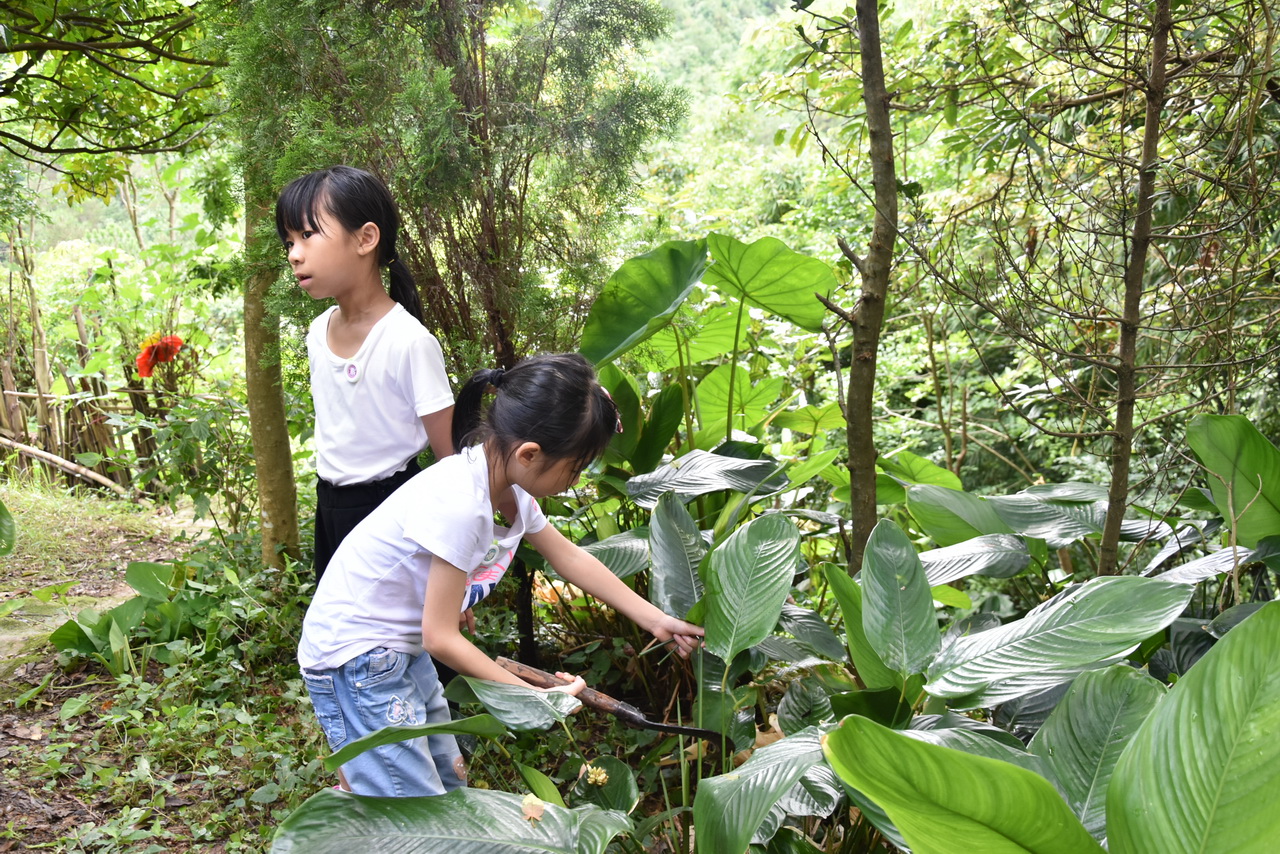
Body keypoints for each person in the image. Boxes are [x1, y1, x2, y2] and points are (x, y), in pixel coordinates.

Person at [297, 353, 705, 797]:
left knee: (444, 783)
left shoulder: (505, 486)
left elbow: (569, 558)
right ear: (531, 453)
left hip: (396, 647)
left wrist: (656, 620)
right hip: (356, 659)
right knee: (407, 810)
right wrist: (535, 699)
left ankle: (361, 796)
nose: (578, 480)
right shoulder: (461, 504)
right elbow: (441, 638)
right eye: (576, 468)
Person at [276, 165, 455, 581]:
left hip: (393, 509)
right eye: (289, 241)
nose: (294, 253)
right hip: (331, 508)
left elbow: (449, 462)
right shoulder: (318, 331)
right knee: (338, 633)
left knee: (392, 638)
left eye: (307, 235)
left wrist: (454, 563)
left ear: (366, 238)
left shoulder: (408, 341)